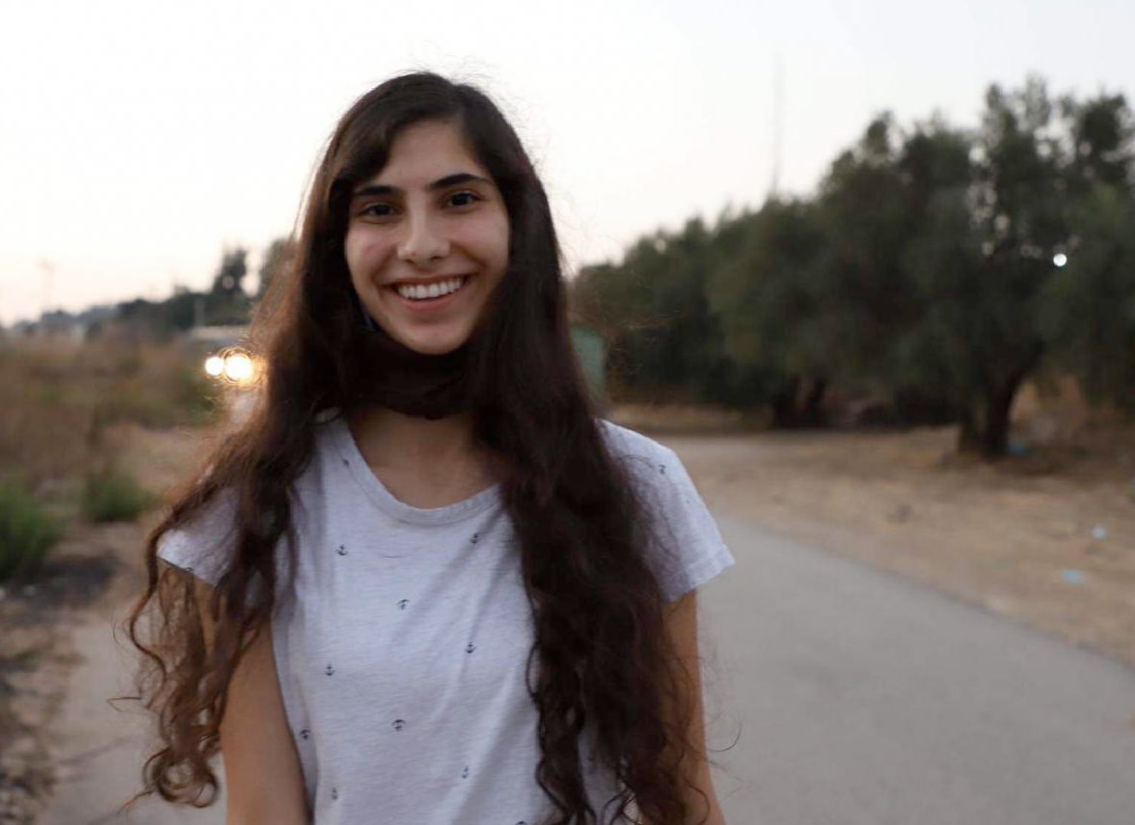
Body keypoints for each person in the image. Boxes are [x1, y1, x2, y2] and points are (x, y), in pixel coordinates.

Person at [123, 71, 735, 825]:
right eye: (380, 209)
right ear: (339, 250)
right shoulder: (256, 494)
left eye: (459, 199)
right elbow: (264, 811)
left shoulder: (636, 483)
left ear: (517, 224)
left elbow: (683, 800)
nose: (421, 245)